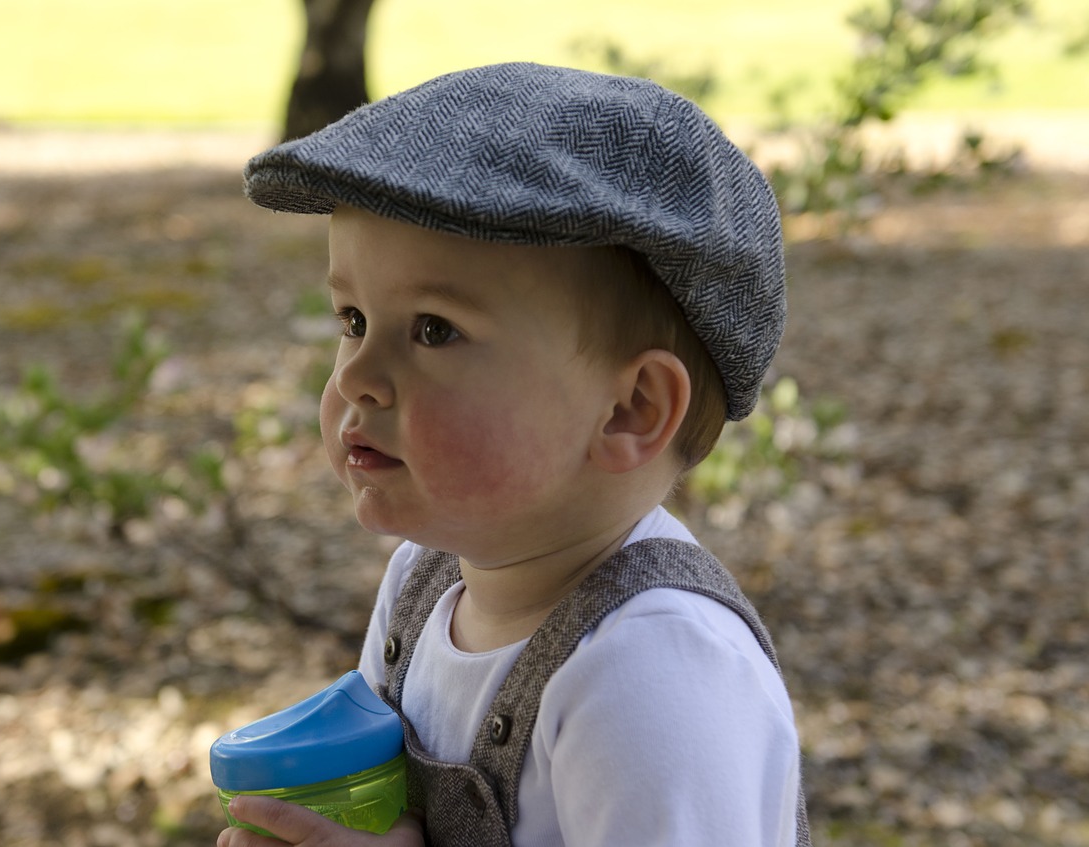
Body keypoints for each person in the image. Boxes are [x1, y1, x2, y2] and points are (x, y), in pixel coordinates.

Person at [218, 62, 810, 847]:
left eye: (433, 330)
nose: (356, 376)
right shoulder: (422, 584)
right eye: (353, 318)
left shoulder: (652, 672)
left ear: (630, 409)